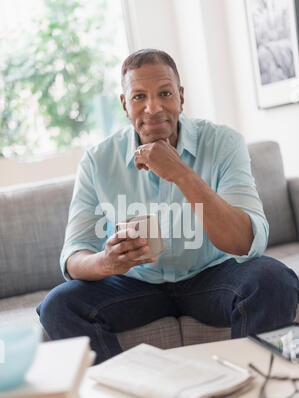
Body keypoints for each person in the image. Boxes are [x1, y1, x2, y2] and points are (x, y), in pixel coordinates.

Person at [37, 49, 299, 364]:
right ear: (124, 104)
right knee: (58, 305)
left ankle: (257, 384)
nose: (153, 108)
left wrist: (180, 173)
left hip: (213, 275)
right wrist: (107, 262)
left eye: (165, 93)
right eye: (138, 97)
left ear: (181, 97)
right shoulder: (98, 161)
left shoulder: (223, 143)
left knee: (273, 279)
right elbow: (74, 255)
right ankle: (127, 395)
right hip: (135, 284)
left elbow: (244, 243)